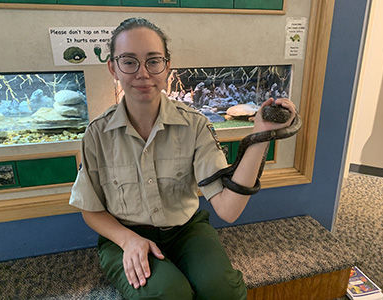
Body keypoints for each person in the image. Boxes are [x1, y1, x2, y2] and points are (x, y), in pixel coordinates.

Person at [69, 17, 297, 300]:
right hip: (123, 234)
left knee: (222, 290)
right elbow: (90, 208)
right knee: (169, 293)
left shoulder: (195, 125)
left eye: (153, 61)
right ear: (113, 68)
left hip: (186, 230)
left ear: (167, 67)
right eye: (129, 61)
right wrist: (128, 240)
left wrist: (261, 135)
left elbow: (229, 210)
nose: (143, 73)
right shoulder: (97, 134)